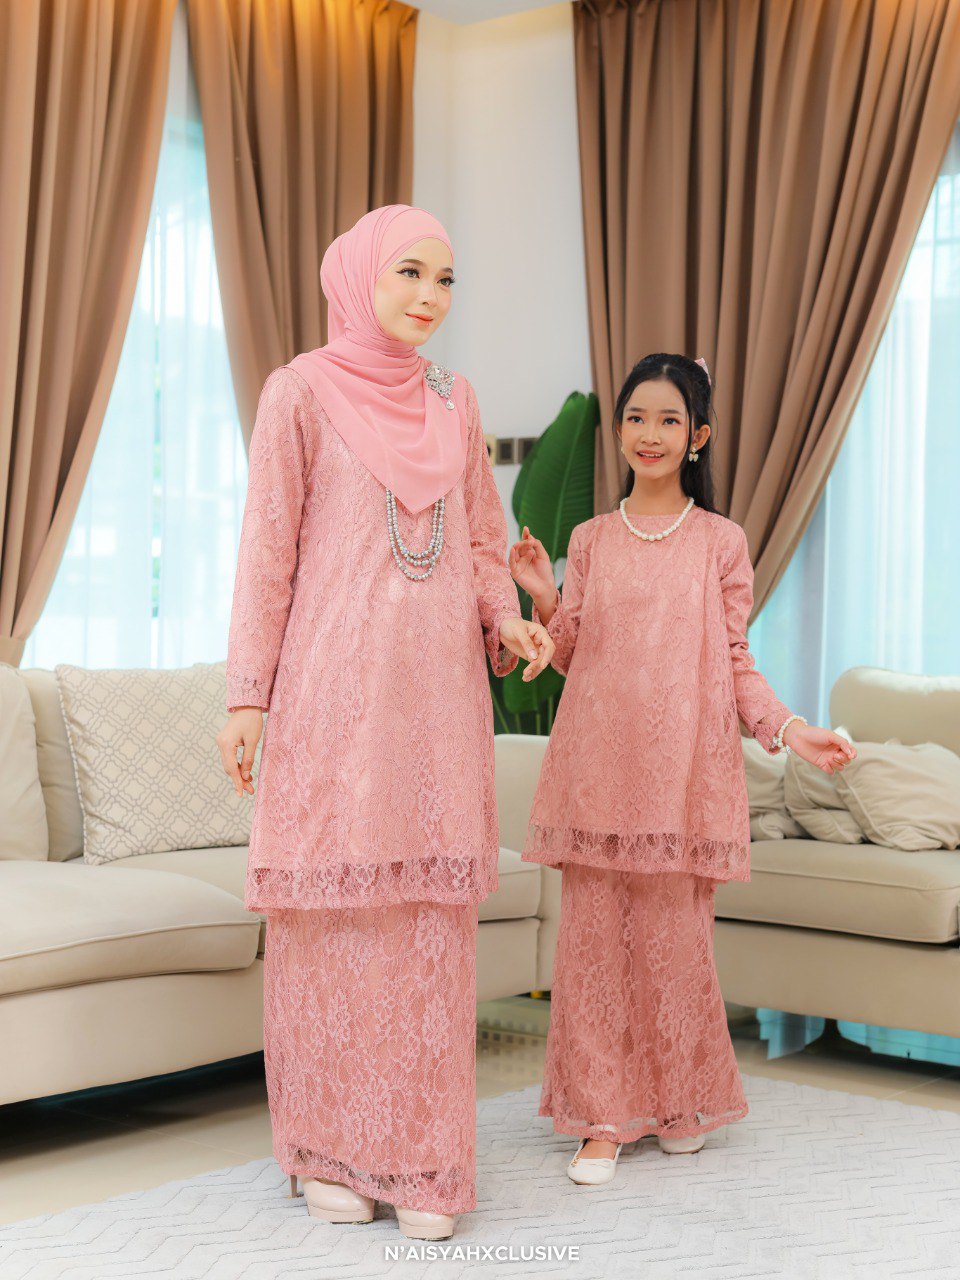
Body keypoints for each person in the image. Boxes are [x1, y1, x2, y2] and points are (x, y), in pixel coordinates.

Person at [217, 204, 554, 1238]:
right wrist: (246, 696)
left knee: (425, 936)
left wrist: (506, 616)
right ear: (358, 275)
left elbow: (483, 540)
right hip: (330, 702)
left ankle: (420, 1158)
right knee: (334, 932)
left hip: (437, 703)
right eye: (409, 271)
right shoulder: (299, 393)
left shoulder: (455, 399)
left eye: (445, 279)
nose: (429, 296)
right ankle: (330, 1147)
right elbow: (266, 553)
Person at [509, 352, 855, 1185]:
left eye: (669, 420)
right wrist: (544, 598)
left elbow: (735, 661)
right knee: (593, 951)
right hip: (597, 768)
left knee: (675, 951)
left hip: (681, 776)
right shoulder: (590, 539)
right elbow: (571, 652)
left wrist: (790, 728)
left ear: (697, 435)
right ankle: (601, 1121)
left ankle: (677, 1101)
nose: (650, 434)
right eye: (636, 418)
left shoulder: (720, 543)